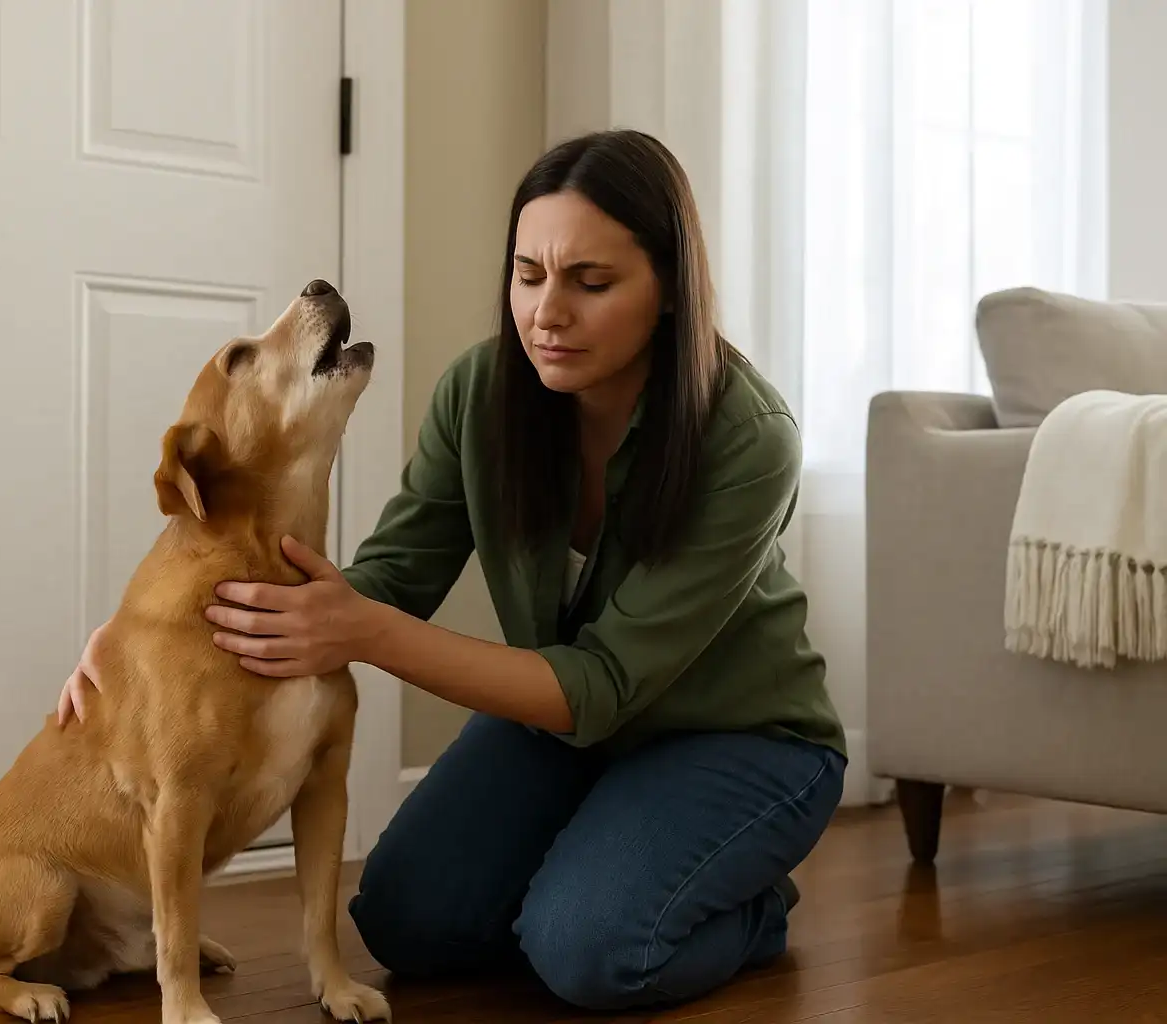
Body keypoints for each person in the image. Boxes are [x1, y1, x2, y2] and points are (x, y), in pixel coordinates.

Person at [57, 128, 846, 1011]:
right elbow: (387, 578)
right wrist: (154, 641)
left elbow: (604, 681)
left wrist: (371, 634)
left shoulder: (748, 436)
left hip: (736, 741)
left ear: (668, 290)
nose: (548, 313)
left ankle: (750, 909)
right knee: (405, 924)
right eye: (528, 274)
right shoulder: (480, 392)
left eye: (592, 283)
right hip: (566, 730)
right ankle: (610, 863)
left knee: (589, 954)